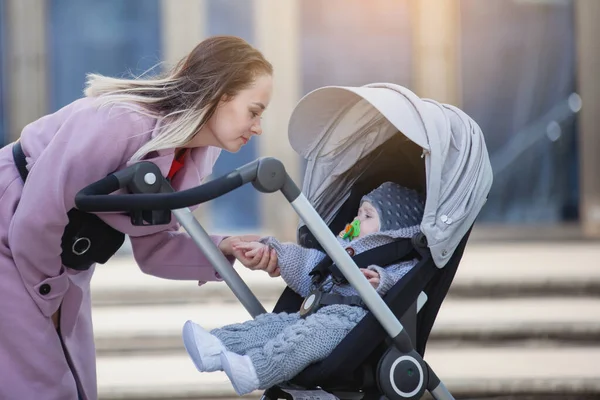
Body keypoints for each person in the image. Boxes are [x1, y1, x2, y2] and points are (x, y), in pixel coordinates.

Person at [0, 35, 280, 400]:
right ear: (222, 94)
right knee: (41, 384)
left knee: (75, 383)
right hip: (13, 229)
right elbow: (38, 217)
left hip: (65, 252)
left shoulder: (196, 157)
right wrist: (48, 297)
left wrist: (225, 247)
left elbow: (154, 248)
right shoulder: (120, 121)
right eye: (254, 111)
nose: (257, 127)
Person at [182, 182, 425, 395]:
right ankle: (216, 345)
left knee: (306, 336)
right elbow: (308, 266)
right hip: (315, 311)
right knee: (272, 325)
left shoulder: (399, 262)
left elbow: (404, 284)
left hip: (351, 322)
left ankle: (256, 370)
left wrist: (382, 281)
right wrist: (275, 252)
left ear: (393, 231)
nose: (356, 220)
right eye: (358, 213)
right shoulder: (338, 251)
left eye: (368, 216)